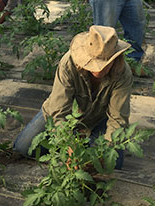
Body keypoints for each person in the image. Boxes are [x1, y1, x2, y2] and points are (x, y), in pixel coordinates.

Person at [14, 25, 133, 169]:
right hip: (64, 116)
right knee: (23, 147)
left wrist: (107, 148)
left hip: (97, 119)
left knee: (111, 163)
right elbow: (58, 111)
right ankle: (73, 143)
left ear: (115, 58)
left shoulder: (122, 73)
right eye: (95, 63)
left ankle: (81, 142)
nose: (100, 69)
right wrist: (68, 144)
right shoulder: (68, 64)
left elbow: (117, 118)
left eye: (105, 64)